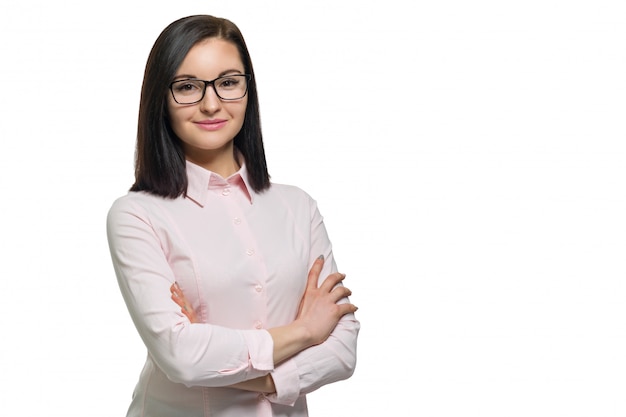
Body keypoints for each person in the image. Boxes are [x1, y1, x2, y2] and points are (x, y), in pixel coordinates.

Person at [106, 14, 360, 417]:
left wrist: (251, 376)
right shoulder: (137, 215)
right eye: (187, 87)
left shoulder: (298, 207)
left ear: (247, 90)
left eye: (227, 82)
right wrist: (306, 331)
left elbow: (343, 347)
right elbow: (181, 356)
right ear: (161, 98)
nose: (211, 104)